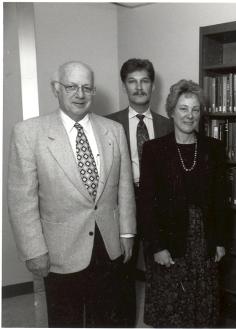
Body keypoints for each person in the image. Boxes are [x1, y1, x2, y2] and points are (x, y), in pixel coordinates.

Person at [7, 61, 136, 327]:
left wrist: (127, 233)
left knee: (106, 319)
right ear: (56, 89)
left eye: (87, 88)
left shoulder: (113, 130)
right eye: (71, 86)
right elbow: (22, 200)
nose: (80, 94)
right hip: (59, 251)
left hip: (108, 246)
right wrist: (34, 250)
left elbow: (124, 187)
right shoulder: (29, 133)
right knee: (67, 320)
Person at [139, 79, 227, 327]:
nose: (190, 115)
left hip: (204, 243)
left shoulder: (214, 148)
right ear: (171, 111)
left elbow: (220, 201)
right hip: (169, 242)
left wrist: (220, 241)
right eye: (183, 108)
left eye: (195, 109)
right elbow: (146, 204)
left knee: (202, 309)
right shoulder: (154, 150)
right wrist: (157, 246)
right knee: (171, 310)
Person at [106, 58, 172, 326]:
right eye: (132, 82)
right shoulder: (109, 124)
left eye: (144, 81)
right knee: (123, 270)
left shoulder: (168, 125)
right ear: (124, 86)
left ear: (153, 86)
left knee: (164, 269)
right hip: (124, 203)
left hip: (158, 205)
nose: (139, 87)